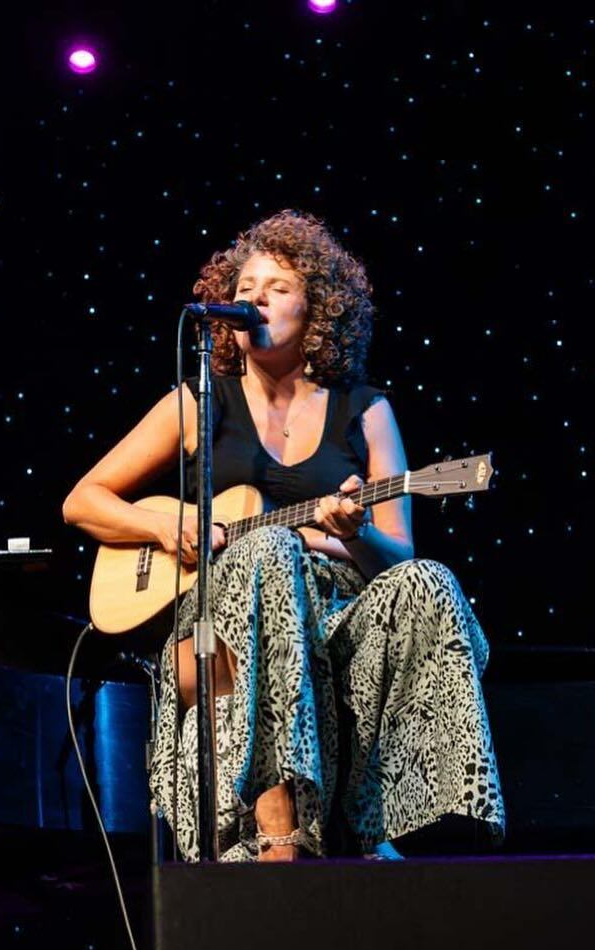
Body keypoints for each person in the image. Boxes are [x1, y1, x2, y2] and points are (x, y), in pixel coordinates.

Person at [63, 210, 504, 861]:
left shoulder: (365, 409)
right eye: (245, 289)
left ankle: (400, 821)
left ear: (318, 309)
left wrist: (355, 534)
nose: (256, 299)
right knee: (268, 549)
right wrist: (164, 523)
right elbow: (82, 501)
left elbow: (396, 556)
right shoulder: (201, 402)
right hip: (222, 620)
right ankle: (278, 831)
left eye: (277, 287)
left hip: (337, 612)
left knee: (430, 582)